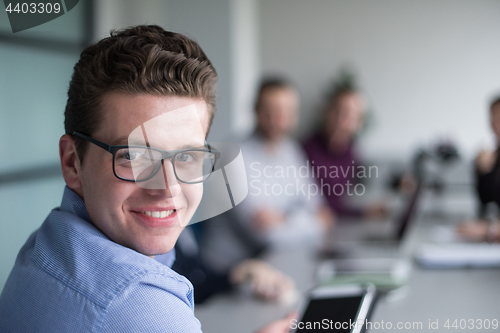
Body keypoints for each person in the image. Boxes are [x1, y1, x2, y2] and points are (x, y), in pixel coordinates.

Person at [0, 25, 292, 333]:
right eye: (134, 156)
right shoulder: (139, 305)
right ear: (73, 162)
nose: (168, 188)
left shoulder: (46, 244)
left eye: (186, 157)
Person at [201, 78, 333, 270]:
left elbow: (322, 213)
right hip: (226, 275)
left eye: (286, 111)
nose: (278, 118)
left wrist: (284, 218)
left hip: (274, 264)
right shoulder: (232, 156)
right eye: (270, 110)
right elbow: (265, 235)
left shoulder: (291, 150)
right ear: (255, 109)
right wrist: (309, 222)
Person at [303, 84, 387, 219]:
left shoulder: (350, 153)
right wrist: (361, 212)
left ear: (359, 123)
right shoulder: (305, 151)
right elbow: (320, 208)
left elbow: (338, 201)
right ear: (326, 112)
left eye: (349, 115)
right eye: (337, 111)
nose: (341, 120)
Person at [457, 96, 500, 242]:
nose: (495, 124)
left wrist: (490, 229)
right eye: (492, 117)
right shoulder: (494, 156)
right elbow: (486, 200)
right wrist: (484, 172)